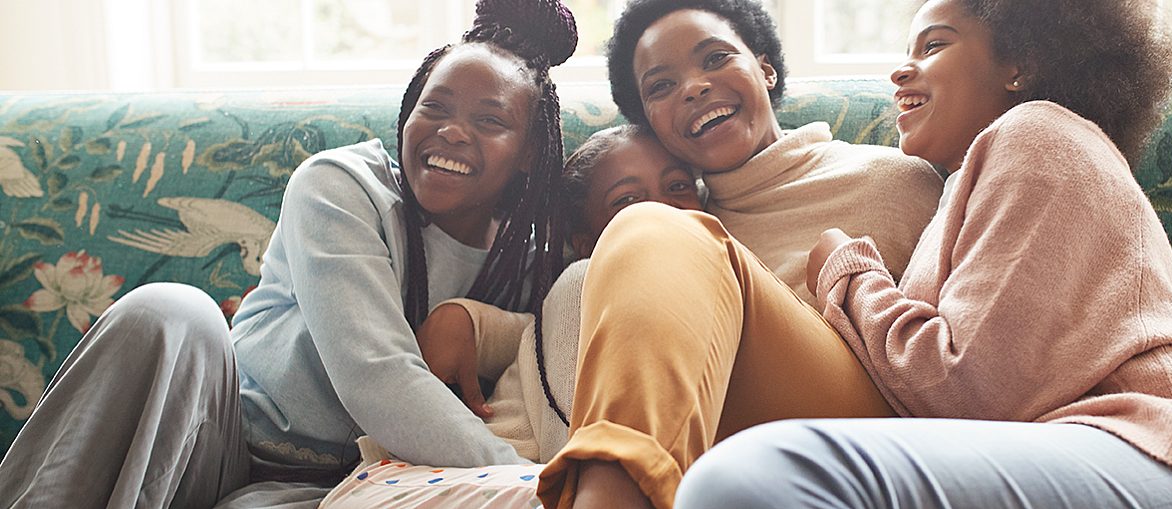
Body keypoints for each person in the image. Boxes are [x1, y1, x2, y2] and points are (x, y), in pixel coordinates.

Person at [671, 1, 1172, 508]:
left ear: (1019, 63)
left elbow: (966, 388)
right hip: (1089, 454)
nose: (901, 67)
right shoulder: (967, 189)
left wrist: (846, 269)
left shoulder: (1039, 135)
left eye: (934, 43)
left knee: (755, 478)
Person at [0, 0, 579, 506]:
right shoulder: (341, 186)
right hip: (217, 434)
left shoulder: (529, 261)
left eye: (489, 120)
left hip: (339, 484)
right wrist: (539, 486)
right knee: (172, 310)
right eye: (436, 107)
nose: (452, 131)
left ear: (530, 151)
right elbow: (379, 378)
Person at [535, 1, 946, 508]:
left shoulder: (897, 180)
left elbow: (951, 349)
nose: (694, 87)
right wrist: (472, 320)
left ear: (765, 68)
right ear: (651, 123)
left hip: (863, 434)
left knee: (650, 224)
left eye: (714, 58)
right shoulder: (674, 232)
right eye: (661, 86)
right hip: (717, 452)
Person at [318, 125, 706, 508]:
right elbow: (577, 455)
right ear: (588, 244)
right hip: (427, 482)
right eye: (626, 201)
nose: (660, 208)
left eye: (677, 187)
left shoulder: (709, 299)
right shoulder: (585, 281)